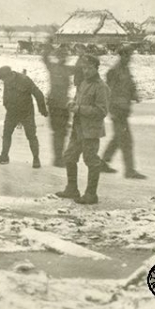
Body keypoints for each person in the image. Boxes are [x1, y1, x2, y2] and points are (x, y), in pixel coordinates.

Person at [55, 55, 110, 205]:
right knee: (69, 156)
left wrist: (79, 109)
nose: (86, 71)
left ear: (96, 68)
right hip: (78, 128)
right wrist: (73, 103)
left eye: (89, 68)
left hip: (91, 130)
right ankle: (72, 189)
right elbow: (79, 100)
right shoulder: (83, 83)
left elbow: (102, 111)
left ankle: (91, 194)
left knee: (91, 160)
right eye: (84, 68)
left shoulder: (101, 87)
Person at [101, 46, 146, 179]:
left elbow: (130, 86)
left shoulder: (125, 69)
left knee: (118, 138)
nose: (130, 58)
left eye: (130, 56)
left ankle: (102, 163)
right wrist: (111, 110)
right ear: (122, 56)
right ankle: (129, 170)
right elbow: (109, 91)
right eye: (127, 56)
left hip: (123, 109)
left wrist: (134, 94)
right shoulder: (114, 71)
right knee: (126, 140)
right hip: (117, 110)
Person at [0, 66, 48, 167]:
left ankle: (36, 159)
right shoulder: (7, 81)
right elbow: (6, 97)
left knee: (31, 136)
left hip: (26, 113)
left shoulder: (25, 80)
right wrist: (7, 107)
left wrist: (42, 109)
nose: (4, 81)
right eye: (2, 79)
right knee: (6, 134)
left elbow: (38, 94)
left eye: (4, 78)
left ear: (10, 75)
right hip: (12, 112)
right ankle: (4, 156)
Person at [42, 44, 76, 167]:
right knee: (58, 131)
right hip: (55, 103)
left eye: (65, 55)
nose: (63, 58)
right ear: (57, 57)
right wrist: (48, 47)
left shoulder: (67, 69)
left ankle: (59, 157)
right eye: (61, 55)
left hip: (64, 104)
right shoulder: (53, 67)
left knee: (62, 132)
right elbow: (45, 59)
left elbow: (82, 68)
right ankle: (58, 159)